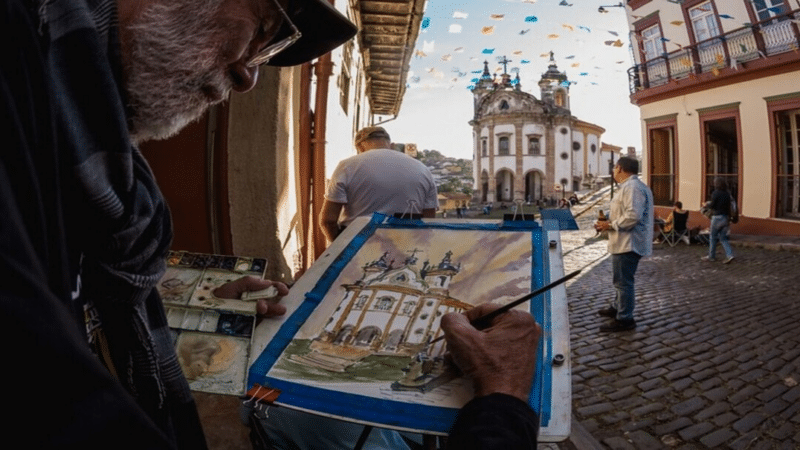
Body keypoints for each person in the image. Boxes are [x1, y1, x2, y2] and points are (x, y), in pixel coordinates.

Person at [2, 0, 355, 447]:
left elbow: (77, 305)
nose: (247, 77)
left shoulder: (107, 167)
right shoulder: (17, 65)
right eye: (263, 31)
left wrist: (203, 307)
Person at [319, 126, 438, 240]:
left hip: (358, 248)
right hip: (406, 248)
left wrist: (341, 249)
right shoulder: (422, 169)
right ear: (390, 145)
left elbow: (328, 221)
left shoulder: (347, 166)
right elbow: (428, 222)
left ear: (360, 147)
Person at [593, 156, 654, 332]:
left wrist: (610, 225)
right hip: (624, 242)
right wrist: (606, 220)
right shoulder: (630, 187)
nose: (612, 172)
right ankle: (617, 306)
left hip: (628, 243)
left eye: (613, 168)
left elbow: (632, 216)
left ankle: (625, 318)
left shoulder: (632, 187)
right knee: (620, 280)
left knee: (623, 282)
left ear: (619, 168)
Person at [701, 178, 735, 264]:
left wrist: (706, 205)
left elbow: (713, 206)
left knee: (713, 237)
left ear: (717, 184)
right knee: (723, 238)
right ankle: (729, 255)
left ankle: (711, 256)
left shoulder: (715, 193)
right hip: (726, 218)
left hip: (717, 217)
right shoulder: (727, 194)